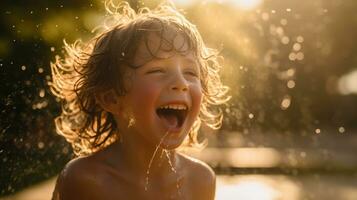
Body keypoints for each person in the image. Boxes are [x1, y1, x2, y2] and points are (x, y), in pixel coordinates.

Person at [50, 1, 229, 199]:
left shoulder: (200, 180)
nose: (181, 82)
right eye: (157, 70)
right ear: (111, 99)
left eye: (190, 72)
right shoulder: (86, 180)